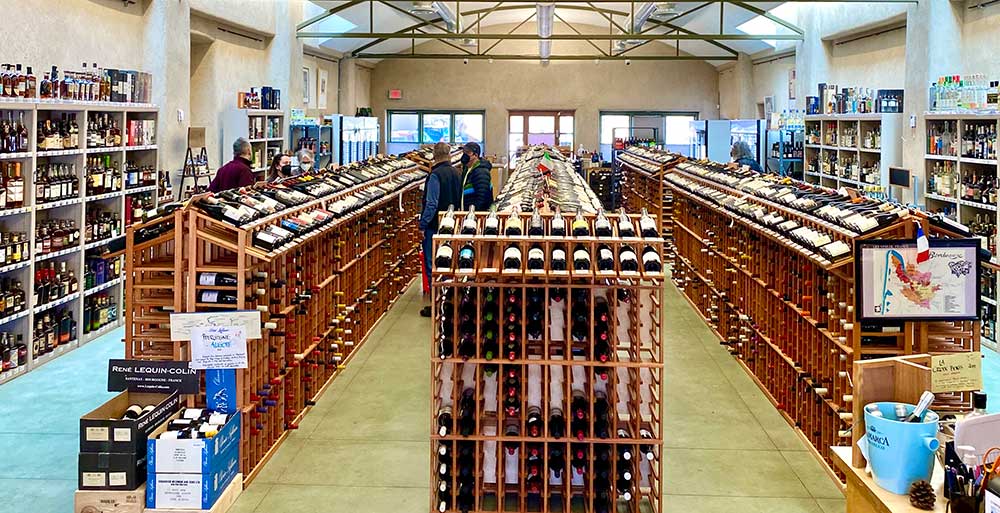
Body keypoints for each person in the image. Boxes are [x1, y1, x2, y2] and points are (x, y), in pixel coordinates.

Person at [419, 142, 462, 318]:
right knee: (449, 263)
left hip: (435, 228)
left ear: (434, 155)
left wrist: (422, 224)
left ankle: (437, 305)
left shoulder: (435, 175)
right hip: (452, 226)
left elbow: (431, 204)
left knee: (433, 266)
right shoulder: (457, 173)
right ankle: (449, 301)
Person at [459, 142, 493, 211]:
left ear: (476, 155)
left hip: (475, 215)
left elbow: (482, 197)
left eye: (468, 153)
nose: (464, 155)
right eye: (464, 153)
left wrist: (473, 213)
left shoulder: (481, 172)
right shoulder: (467, 169)